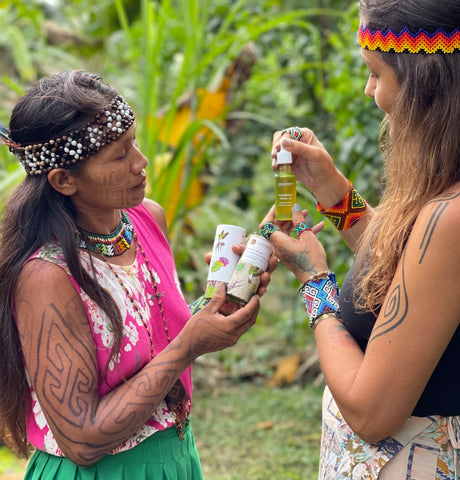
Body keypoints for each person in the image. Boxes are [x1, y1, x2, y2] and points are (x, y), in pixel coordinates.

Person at [0, 71, 275, 479]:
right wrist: (189, 347)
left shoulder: (147, 219)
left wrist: (231, 291)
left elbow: (153, 338)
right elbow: (81, 440)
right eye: (119, 156)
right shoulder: (47, 276)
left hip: (176, 459)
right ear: (63, 180)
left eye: (134, 144)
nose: (141, 163)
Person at [258, 0, 460, 478]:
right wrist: (331, 189)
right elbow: (414, 271)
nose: (371, 91)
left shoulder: (450, 216)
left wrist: (315, 282)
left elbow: (372, 414)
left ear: (425, 86)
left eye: (376, 74)